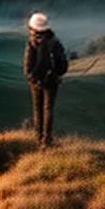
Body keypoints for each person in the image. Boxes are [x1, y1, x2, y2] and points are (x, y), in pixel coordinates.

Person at [23, 12, 68, 146]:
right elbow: (62, 65)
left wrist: (34, 79)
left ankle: (38, 138)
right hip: (51, 82)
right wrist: (56, 74)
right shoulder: (55, 42)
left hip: (35, 83)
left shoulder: (31, 43)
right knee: (48, 110)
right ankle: (46, 140)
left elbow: (27, 66)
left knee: (38, 110)